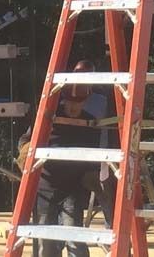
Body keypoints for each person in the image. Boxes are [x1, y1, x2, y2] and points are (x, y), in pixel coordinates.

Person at [18, 60, 100, 257]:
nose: (73, 107)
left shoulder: (90, 123)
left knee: (75, 240)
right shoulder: (48, 118)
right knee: (44, 244)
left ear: (85, 101)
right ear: (64, 100)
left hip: (73, 188)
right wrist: (26, 153)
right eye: (70, 102)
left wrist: (93, 177)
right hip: (45, 187)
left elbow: (92, 157)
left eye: (77, 103)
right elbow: (24, 141)